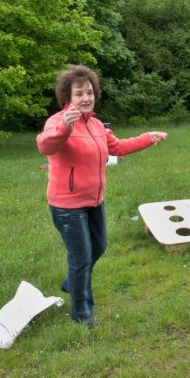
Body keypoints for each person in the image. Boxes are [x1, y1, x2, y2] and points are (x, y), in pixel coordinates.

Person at [36, 65, 167, 328]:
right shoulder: (58, 121)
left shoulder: (96, 125)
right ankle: (82, 315)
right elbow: (44, 145)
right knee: (81, 257)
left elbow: (117, 147)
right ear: (67, 98)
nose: (86, 98)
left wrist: (146, 138)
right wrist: (65, 127)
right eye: (79, 94)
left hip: (94, 201)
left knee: (99, 246)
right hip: (67, 205)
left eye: (89, 93)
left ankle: (71, 282)